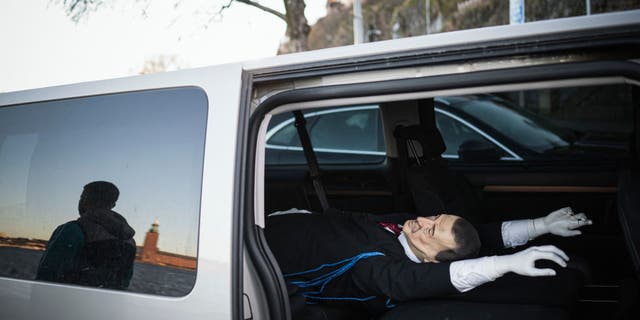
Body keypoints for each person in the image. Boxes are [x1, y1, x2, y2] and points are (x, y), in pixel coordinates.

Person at [265, 207, 592, 315]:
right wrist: (541, 226)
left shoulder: (381, 270)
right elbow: (479, 236)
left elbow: (420, 281)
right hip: (281, 220)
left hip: (253, 251)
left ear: (435, 259)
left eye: (430, 229)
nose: (420, 220)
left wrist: (504, 265)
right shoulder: (409, 232)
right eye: (433, 217)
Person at [36, 181, 136, 290]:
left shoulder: (73, 229)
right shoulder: (129, 241)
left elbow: (46, 276)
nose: (80, 201)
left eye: (82, 197)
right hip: (107, 305)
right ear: (113, 205)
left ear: (85, 199)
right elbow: (124, 282)